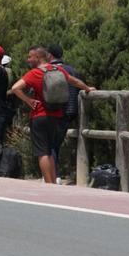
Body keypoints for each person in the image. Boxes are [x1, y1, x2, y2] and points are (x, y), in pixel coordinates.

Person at [10, 45, 95, 184]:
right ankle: (53, 182)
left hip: (39, 115)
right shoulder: (58, 69)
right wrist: (87, 88)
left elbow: (15, 88)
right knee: (50, 150)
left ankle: (49, 184)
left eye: (30, 57)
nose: (28, 60)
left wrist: (28, 100)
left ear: (38, 57)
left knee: (42, 152)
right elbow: (74, 81)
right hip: (56, 116)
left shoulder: (34, 73)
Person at [47, 43, 85, 183]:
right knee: (55, 144)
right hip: (70, 112)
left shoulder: (51, 70)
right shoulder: (72, 70)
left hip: (55, 111)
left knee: (50, 145)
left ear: (50, 55)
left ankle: (53, 174)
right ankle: (55, 174)